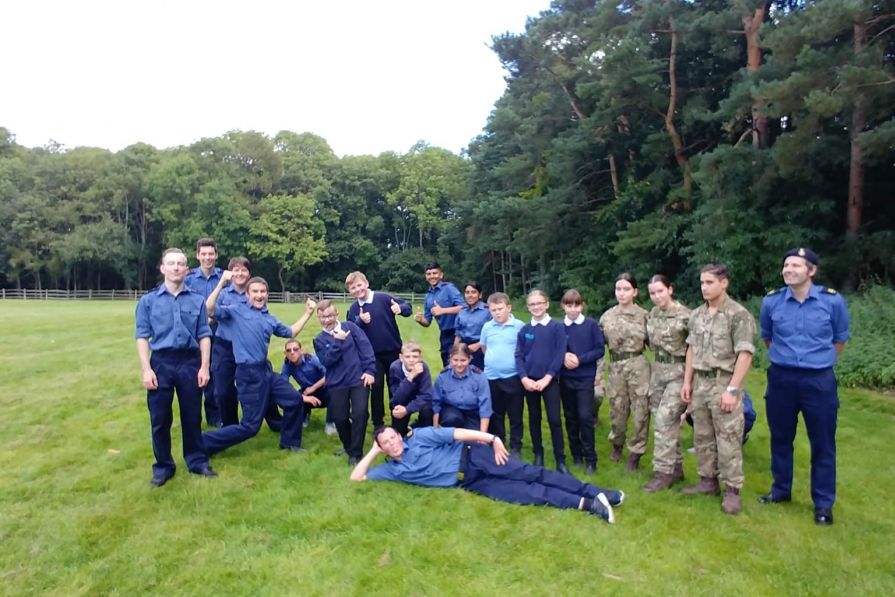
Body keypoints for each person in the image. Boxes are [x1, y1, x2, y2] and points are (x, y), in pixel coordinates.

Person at [351, 425, 624, 524]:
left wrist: (492, 439)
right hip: (471, 483)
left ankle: (595, 491)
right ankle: (589, 504)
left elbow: (458, 433)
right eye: (385, 443)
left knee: (531, 473)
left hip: (475, 456)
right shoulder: (393, 470)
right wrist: (373, 451)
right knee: (525, 494)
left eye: (393, 437)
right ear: (383, 448)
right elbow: (357, 477)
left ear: (400, 435)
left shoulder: (420, 436)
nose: (392, 443)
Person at [759, 248, 850, 525]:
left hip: (818, 381)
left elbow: (839, 340)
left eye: (796, 265)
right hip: (781, 378)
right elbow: (767, 338)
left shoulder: (832, 302)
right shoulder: (771, 302)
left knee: (822, 442)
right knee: (780, 437)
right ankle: (780, 490)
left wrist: (817, 362)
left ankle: (823, 504)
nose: (788, 270)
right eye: (786, 265)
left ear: (811, 270)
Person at [202, 278, 320, 457]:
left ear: (267, 294)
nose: (259, 295)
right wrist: (221, 284)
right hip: (248, 374)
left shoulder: (269, 319)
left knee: (294, 400)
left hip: (265, 370)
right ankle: (203, 443)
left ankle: (290, 443)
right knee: (250, 426)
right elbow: (209, 309)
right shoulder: (236, 311)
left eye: (262, 291)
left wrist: (308, 313)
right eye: (255, 291)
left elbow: (291, 332)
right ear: (247, 294)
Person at [135, 247, 217, 487]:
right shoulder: (148, 301)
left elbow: (204, 335)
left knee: (192, 416)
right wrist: (146, 369)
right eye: (171, 263)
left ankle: (197, 461)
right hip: (161, 362)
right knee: (160, 418)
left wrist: (204, 367)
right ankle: (163, 467)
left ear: (186, 269)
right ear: (163, 268)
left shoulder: (197, 300)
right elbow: (142, 336)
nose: (176, 268)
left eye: (180, 264)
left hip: (190, 362)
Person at [680, 263, 755, 515]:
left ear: (724, 283)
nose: (704, 287)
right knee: (702, 435)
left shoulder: (738, 314)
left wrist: (732, 390)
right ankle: (707, 481)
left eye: (709, 282)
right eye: (702, 282)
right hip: (700, 383)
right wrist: (687, 382)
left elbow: (745, 354)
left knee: (728, 437)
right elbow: (691, 349)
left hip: (723, 382)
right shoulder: (696, 315)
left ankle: (732, 490)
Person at [205, 257, 281, 431]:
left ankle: (276, 422)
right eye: (236, 270)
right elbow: (210, 311)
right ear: (230, 272)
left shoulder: (254, 293)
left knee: (263, 383)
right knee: (223, 391)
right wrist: (221, 283)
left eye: (244, 270)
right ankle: (230, 426)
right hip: (225, 347)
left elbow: (263, 317)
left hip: (248, 348)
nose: (240, 273)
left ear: (249, 273)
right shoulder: (223, 294)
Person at [345, 271, 412, 428]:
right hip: (371, 356)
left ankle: (398, 421)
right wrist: (360, 321)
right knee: (376, 388)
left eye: (359, 285)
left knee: (396, 386)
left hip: (393, 351)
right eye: (353, 288)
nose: (357, 289)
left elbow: (408, 307)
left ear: (366, 283)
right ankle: (378, 424)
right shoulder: (354, 308)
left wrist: (400, 308)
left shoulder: (383, 298)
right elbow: (350, 331)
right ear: (349, 291)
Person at [642, 275, 691, 492]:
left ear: (670, 290)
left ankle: (662, 474)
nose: (657, 296)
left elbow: (694, 350)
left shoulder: (686, 316)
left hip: (678, 373)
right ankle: (676, 467)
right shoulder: (652, 314)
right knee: (663, 421)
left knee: (665, 420)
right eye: (652, 293)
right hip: (658, 372)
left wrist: (689, 381)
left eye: (660, 291)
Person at [313, 300, 377, 466]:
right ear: (318, 318)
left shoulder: (351, 328)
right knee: (340, 419)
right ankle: (349, 447)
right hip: (337, 384)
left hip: (358, 379)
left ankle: (355, 453)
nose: (327, 320)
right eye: (322, 317)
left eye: (330, 316)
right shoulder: (319, 339)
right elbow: (327, 361)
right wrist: (338, 342)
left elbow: (366, 348)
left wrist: (370, 371)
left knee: (360, 414)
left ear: (337, 314)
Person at [599, 273, 651, 471]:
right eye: (618, 289)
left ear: (635, 292)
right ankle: (617, 444)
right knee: (617, 409)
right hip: (616, 367)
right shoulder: (607, 316)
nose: (621, 293)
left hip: (638, 366)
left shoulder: (645, 316)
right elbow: (598, 347)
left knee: (641, 411)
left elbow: (656, 344)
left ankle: (636, 452)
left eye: (626, 289)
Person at [516, 289, 569, 473]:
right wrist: (524, 378)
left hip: (550, 380)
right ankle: (538, 454)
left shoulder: (557, 327)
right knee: (534, 418)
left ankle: (560, 459)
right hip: (530, 382)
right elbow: (519, 356)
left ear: (546, 304)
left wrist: (548, 377)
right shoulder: (525, 330)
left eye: (539, 303)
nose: (536, 307)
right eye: (532, 304)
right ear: (528, 307)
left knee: (554, 419)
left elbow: (559, 354)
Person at [559, 289, 605, 476]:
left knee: (585, 417)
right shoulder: (559, 326)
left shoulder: (591, 325)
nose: (573, 309)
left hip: (585, 378)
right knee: (570, 418)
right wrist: (563, 356)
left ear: (582, 305)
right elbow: (554, 348)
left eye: (576, 305)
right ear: (563, 306)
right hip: (565, 378)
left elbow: (599, 349)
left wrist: (580, 359)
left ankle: (591, 458)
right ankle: (576, 454)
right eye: (569, 305)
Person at [480, 292, 526, 457]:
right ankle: (498, 441)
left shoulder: (519, 326)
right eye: (493, 310)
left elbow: (525, 350)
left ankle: (515, 446)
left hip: (513, 377)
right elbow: (484, 347)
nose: (497, 313)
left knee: (515, 413)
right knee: (495, 413)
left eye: (500, 309)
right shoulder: (487, 327)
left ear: (509, 308)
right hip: (491, 377)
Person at [183, 238, 224, 427]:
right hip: (194, 335)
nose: (207, 257)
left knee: (214, 376)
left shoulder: (224, 278)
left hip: (219, 333)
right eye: (204, 254)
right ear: (197, 255)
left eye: (211, 254)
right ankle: (192, 418)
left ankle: (215, 417)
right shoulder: (188, 279)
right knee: (193, 376)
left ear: (216, 255)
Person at [433, 343, 492, 432]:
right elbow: (436, 404)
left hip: (472, 412)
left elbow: (485, 407)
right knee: (452, 418)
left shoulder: (480, 377)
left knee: (473, 437)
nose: (459, 364)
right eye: (455, 360)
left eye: (463, 360)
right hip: (451, 412)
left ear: (469, 359)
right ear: (450, 359)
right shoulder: (443, 376)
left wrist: (482, 435)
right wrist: (435, 430)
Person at [414, 262, 464, 366]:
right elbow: (427, 322)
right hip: (444, 335)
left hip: (457, 332)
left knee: (457, 364)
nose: (432, 276)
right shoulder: (428, 296)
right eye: (429, 274)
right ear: (426, 276)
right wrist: (420, 320)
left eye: (435, 273)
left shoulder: (449, 288)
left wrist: (443, 310)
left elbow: (464, 308)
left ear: (441, 275)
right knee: (446, 365)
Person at [280, 339, 331, 430]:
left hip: (323, 388)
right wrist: (299, 396)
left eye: (295, 349)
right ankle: (303, 418)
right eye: (289, 350)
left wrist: (313, 387)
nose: (292, 352)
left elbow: (328, 375)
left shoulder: (313, 360)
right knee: (295, 397)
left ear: (301, 350)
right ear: (285, 353)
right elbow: (283, 384)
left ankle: (331, 423)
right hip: (306, 392)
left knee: (335, 393)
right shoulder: (287, 365)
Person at [387, 341, 434, 435]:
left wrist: (408, 409)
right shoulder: (394, 368)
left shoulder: (424, 367)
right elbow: (397, 399)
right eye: (407, 357)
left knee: (428, 410)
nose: (411, 360)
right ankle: (404, 430)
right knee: (399, 431)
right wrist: (410, 377)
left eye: (415, 357)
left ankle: (421, 429)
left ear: (420, 358)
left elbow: (426, 395)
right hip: (403, 399)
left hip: (420, 399)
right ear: (401, 357)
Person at [454, 281, 492, 370]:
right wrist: (455, 351)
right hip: (464, 347)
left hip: (480, 348)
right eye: (467, 292)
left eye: (473, 292)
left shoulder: (487, 311)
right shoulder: (462, 312)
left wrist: (478, 345)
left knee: (478, 374)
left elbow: (493, 332)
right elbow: (458, 334)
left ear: (480, 295)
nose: (470, 295)